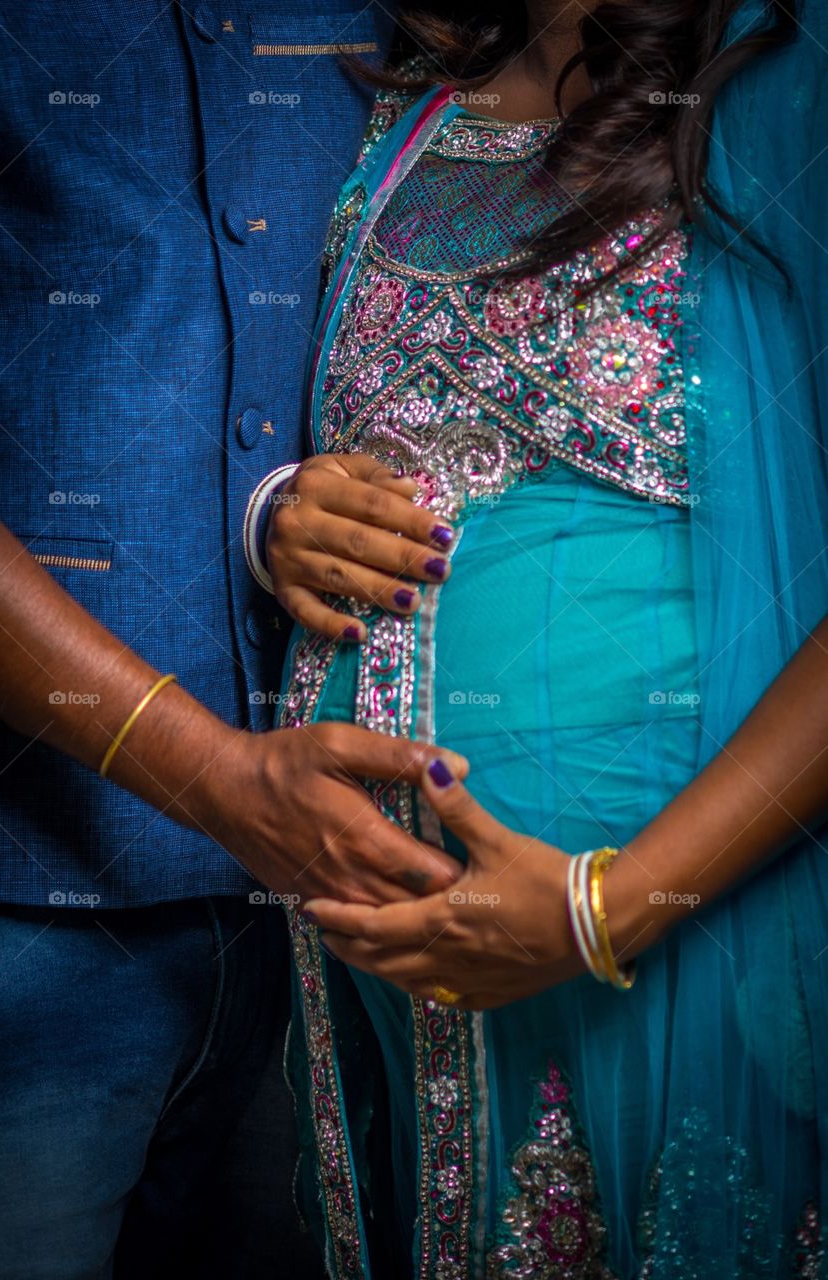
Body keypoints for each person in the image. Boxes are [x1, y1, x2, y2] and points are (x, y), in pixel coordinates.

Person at [256, 0, 828, 1274]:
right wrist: (284, 517)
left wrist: (603, 906)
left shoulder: (782, 85)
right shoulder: (405, 114)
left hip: (674, 940)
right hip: (392, 991)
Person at [0, 4, 470, 1277]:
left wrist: (276, 512)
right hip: (20, 904)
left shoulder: (398, 18)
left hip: (348, 935)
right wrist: (218, 776)